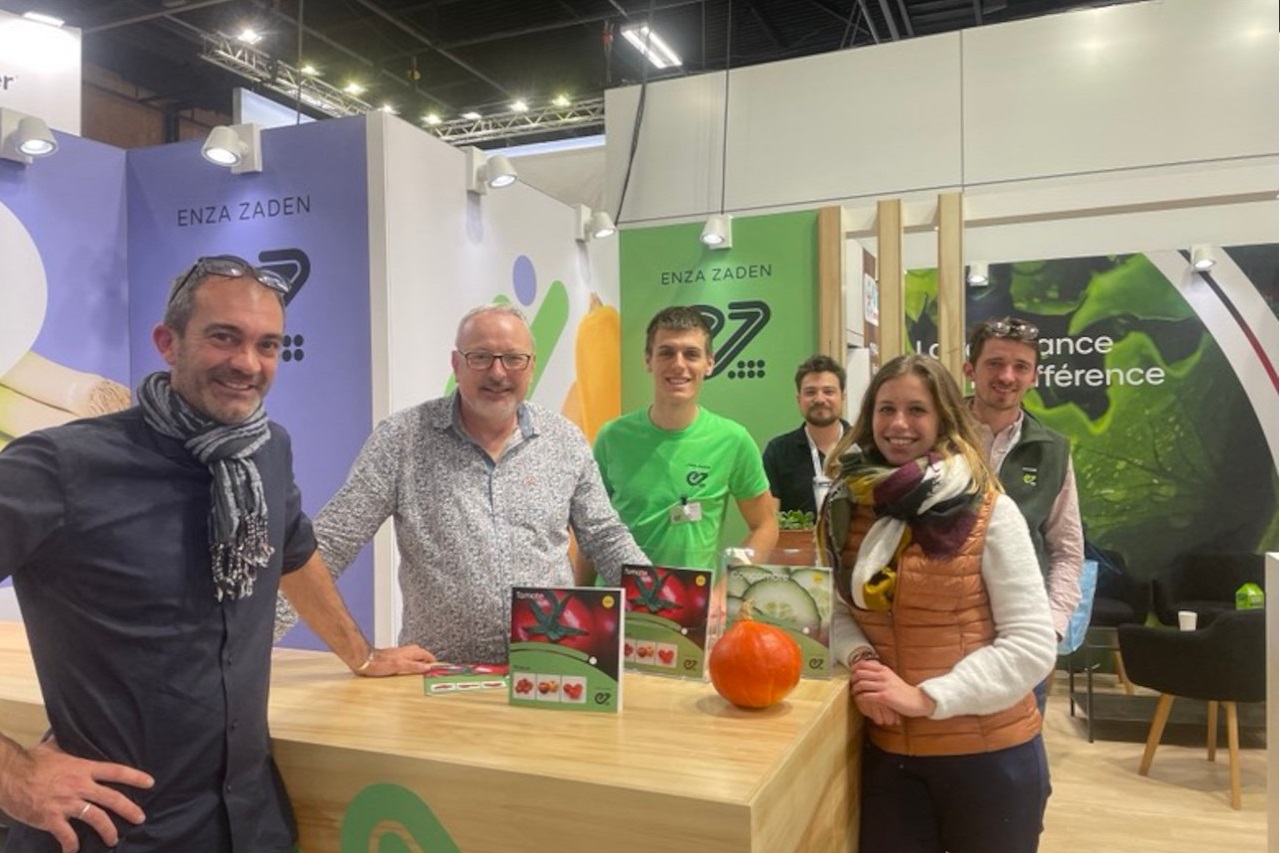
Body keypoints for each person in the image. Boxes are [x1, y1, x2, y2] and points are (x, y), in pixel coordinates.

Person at [0, 256, 320, 852]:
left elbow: (294, 549)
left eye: (267, 345)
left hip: (251, 826)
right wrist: (15, 778)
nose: (248, 363)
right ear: (167, 343)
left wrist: (363, 653)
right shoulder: (60, 467)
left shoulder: (265, 452)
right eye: (224, 337)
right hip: (119, 831)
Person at [275, 304, 647, 663]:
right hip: (438, 676)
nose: (498, 373)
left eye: (513, 359)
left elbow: (605, 537)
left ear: (531, 366)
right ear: (456, 364)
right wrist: (260, 634)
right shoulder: (403, 439)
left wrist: (670, 619)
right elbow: (332, 542)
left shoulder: (564, 440)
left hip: (549, 669)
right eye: (480, 357)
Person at [818, 354, 1056, 853]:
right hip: (890, 759)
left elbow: (1032, 645)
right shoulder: (846, 505)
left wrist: (926, 698)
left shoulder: (990, 509)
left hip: (990, 757)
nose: (898, 424)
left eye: (917, 410)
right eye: (886, 409)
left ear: (943, 417)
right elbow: (838, 609)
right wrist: (863, 663)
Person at [591, 306, 777, 571]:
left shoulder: (733, 440)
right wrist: (583, 591)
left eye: (691, 354)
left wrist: (730, 580)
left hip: (692, 596)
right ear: (648, 360)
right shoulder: (612, 438)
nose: (678, 364)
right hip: (622, 595)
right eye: (666, 352)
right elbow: (593, 531)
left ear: (709, 363)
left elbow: (765, 526)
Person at [963, 316, 1084, 713]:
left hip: (1020, 640)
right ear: (969, 369)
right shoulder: (936, 436)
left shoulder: (1052, 450)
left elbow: (1067, 549)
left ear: (1035, 377)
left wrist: (1050, 629)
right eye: (995, 363)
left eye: (1020, 367)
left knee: (1018, 746)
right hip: (943, 632)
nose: (1007, 376)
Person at [761, 354, 851, 518]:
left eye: (828, 391)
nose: (820, 399)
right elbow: (769, 521)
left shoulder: (865, 445)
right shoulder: (778, 451)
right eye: (810, 392)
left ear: (842, 397)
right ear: (799, 399)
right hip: (799, 536)